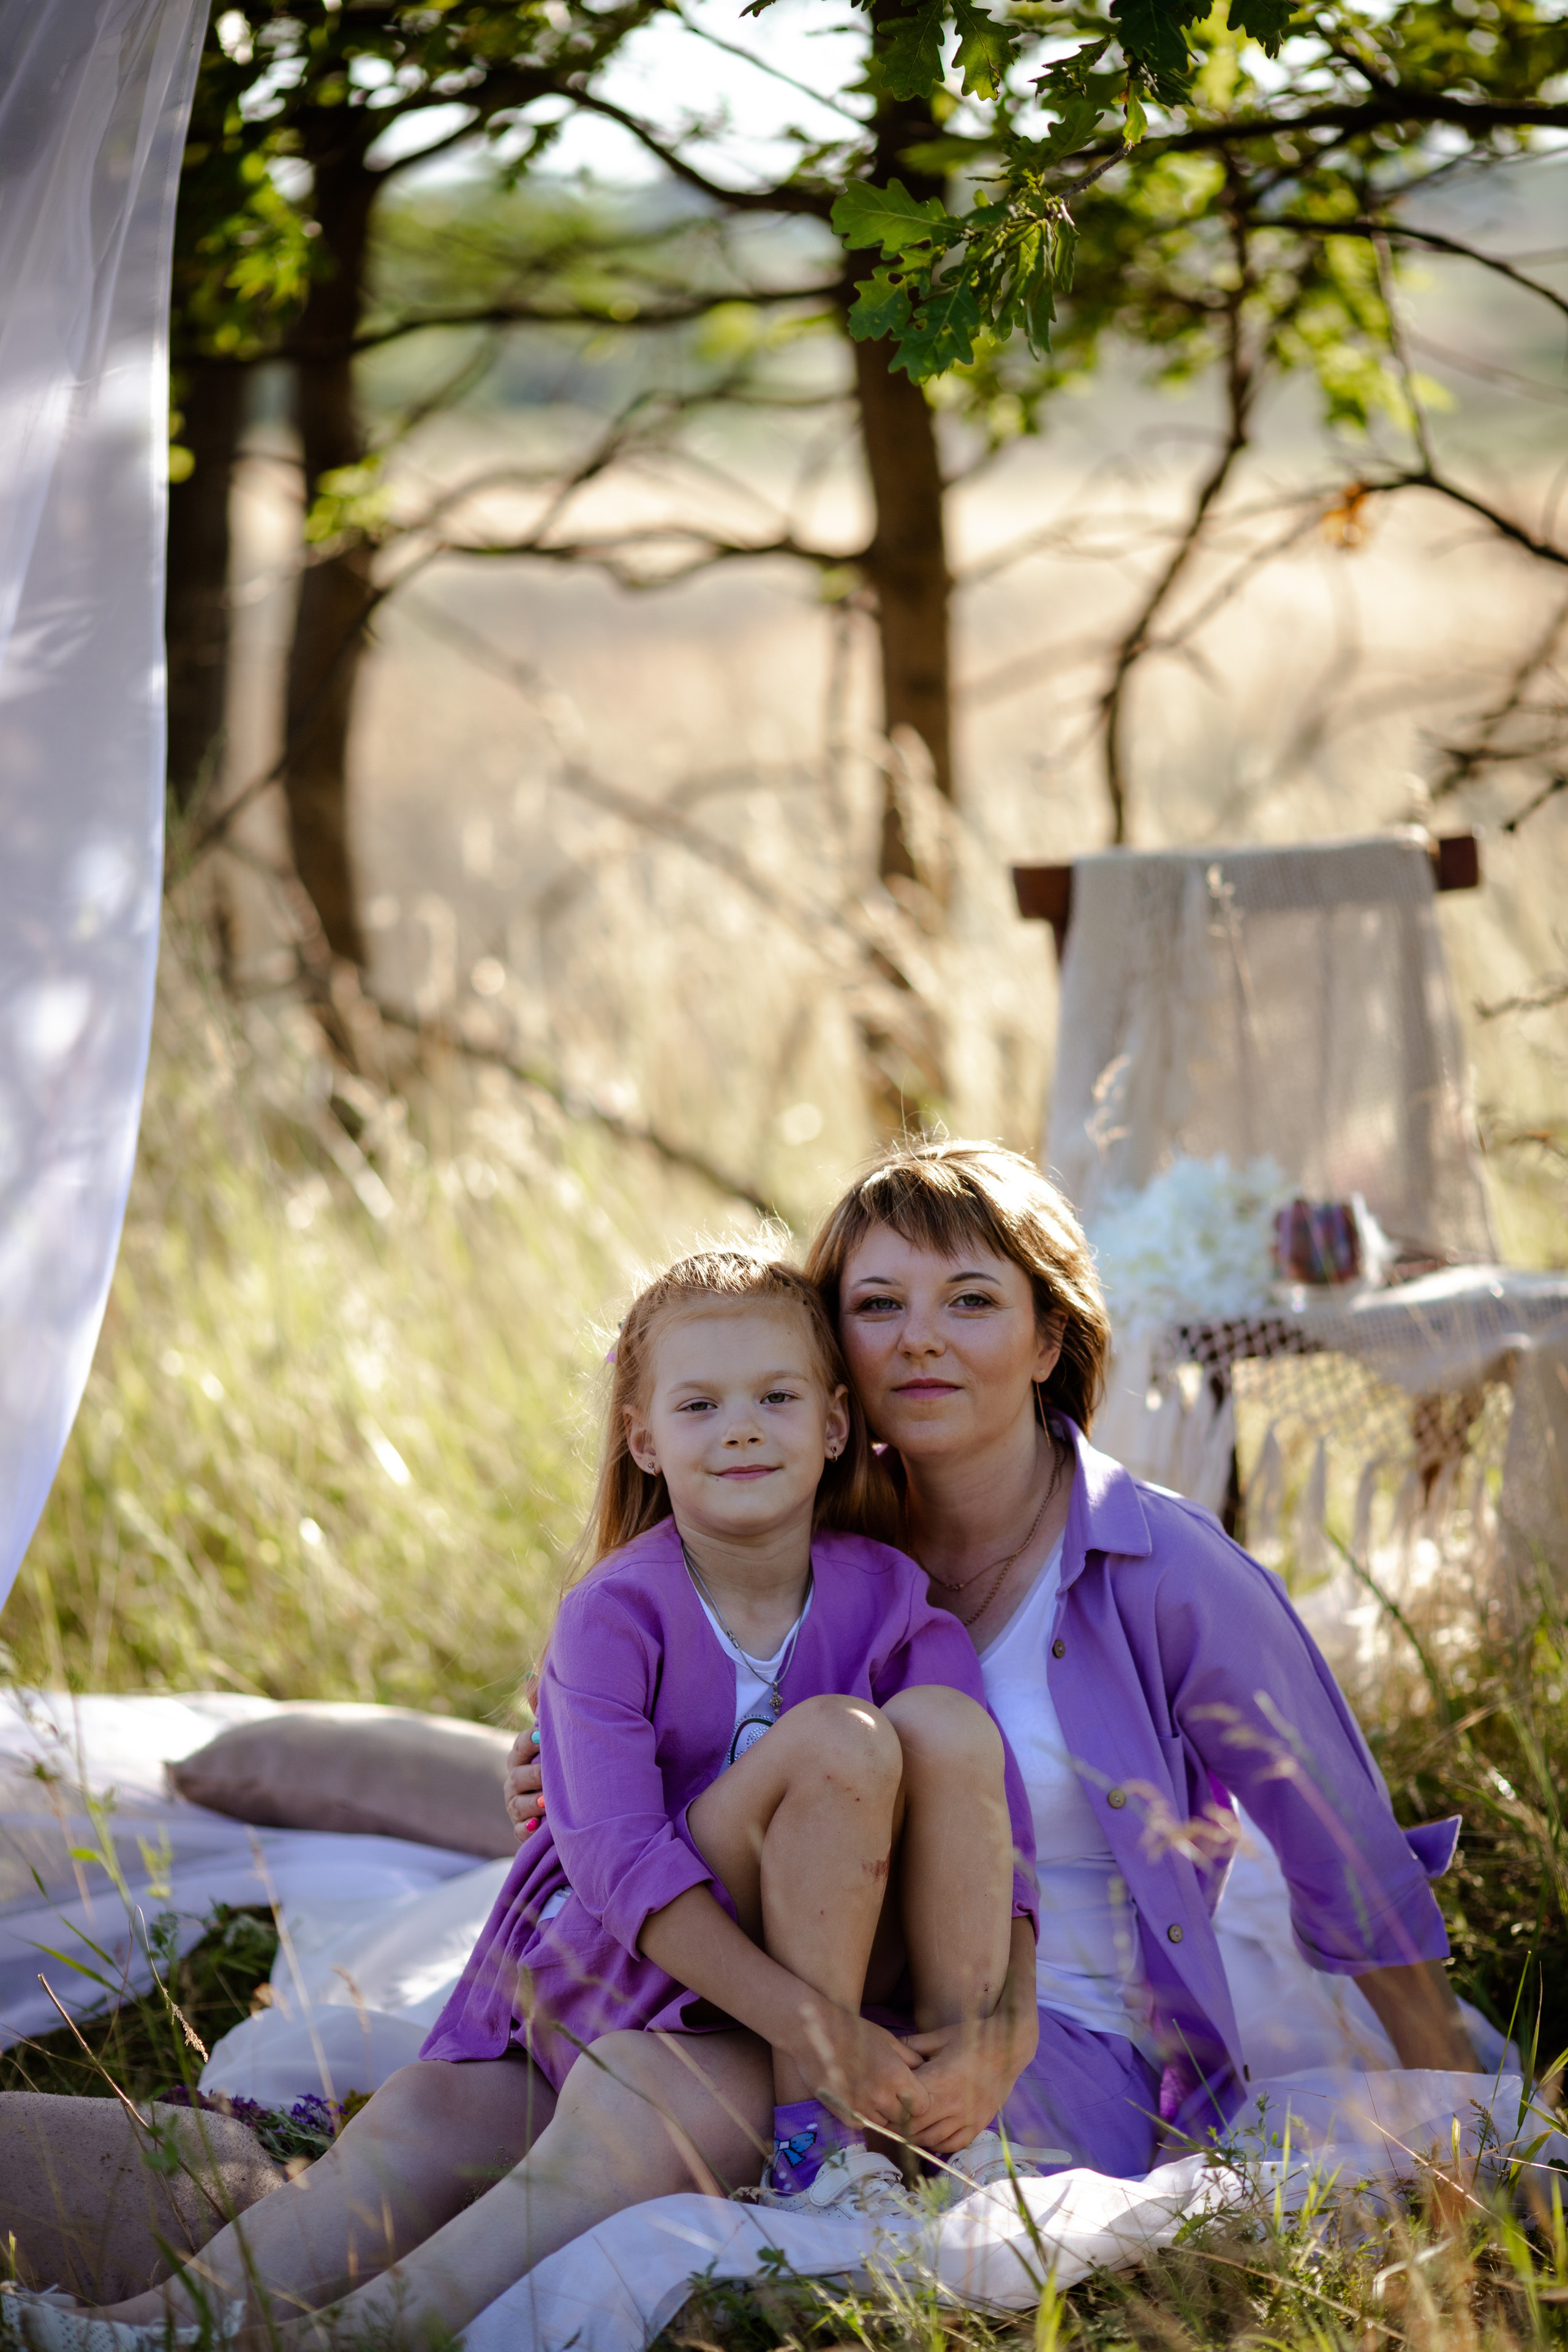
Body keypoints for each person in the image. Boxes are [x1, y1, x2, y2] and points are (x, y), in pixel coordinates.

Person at [66, 1246, 1038, 2352]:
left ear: (830, 1424)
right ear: (644, 1438)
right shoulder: (615, 1615)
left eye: (776, 1398)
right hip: (644, 1961)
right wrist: (827, 2040)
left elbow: (986, 1811)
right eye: (700, 1404)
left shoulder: (888, 1595)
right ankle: (133, 2333)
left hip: (808, 1983)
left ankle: (847, 2145)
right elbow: (621, 1867)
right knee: (412, 2136)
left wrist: (1006, 2021)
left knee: (930, 1732)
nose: (741, 1428)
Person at [510, 1141, 1481, 2176]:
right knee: (621, 2114)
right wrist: (562, 1768)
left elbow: (1346, 1850)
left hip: (1056, 2031)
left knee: (670, 2143)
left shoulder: (1167, 1570)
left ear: (1046, 1337)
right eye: (878, 1306)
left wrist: (1455, 2118)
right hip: (812, 2010)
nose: (920, 1341)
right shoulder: (808, 1538)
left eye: (971, 1302)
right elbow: (709, 1751)